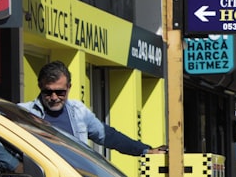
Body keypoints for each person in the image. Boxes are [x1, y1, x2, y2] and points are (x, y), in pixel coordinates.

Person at [20, 61, 164, 156]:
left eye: (60, 92)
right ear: (40, 87)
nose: (54, 97)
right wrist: (15, 165)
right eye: (48, 92)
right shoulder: (22, 112)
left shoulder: (78, 112)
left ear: (69, 87)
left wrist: (145, 150)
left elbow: (108, 136)